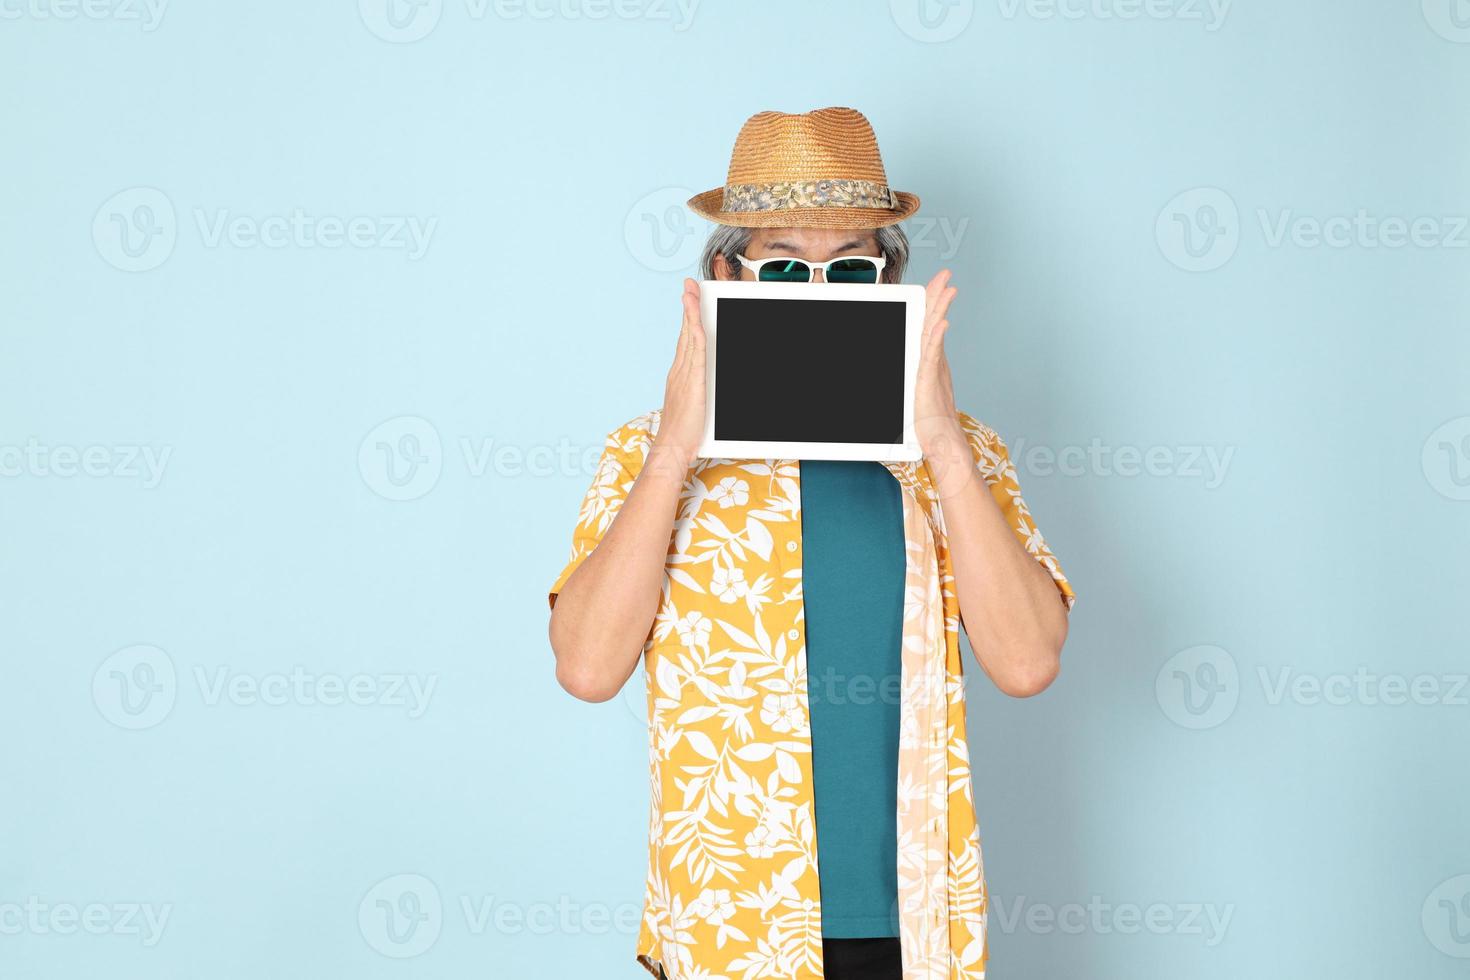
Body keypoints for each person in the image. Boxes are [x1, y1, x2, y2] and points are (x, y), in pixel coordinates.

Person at [547, 107, 1076, 980]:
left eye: (852, 271)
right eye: (788, 266)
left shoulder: (961, 455)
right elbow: (588, 670)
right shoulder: (646, 456)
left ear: (888, 282)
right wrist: (679, 446)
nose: (818, 295)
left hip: (910, 929)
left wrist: (940, 441)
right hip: (727, 928)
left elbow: (1027, 664)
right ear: (730, 274)